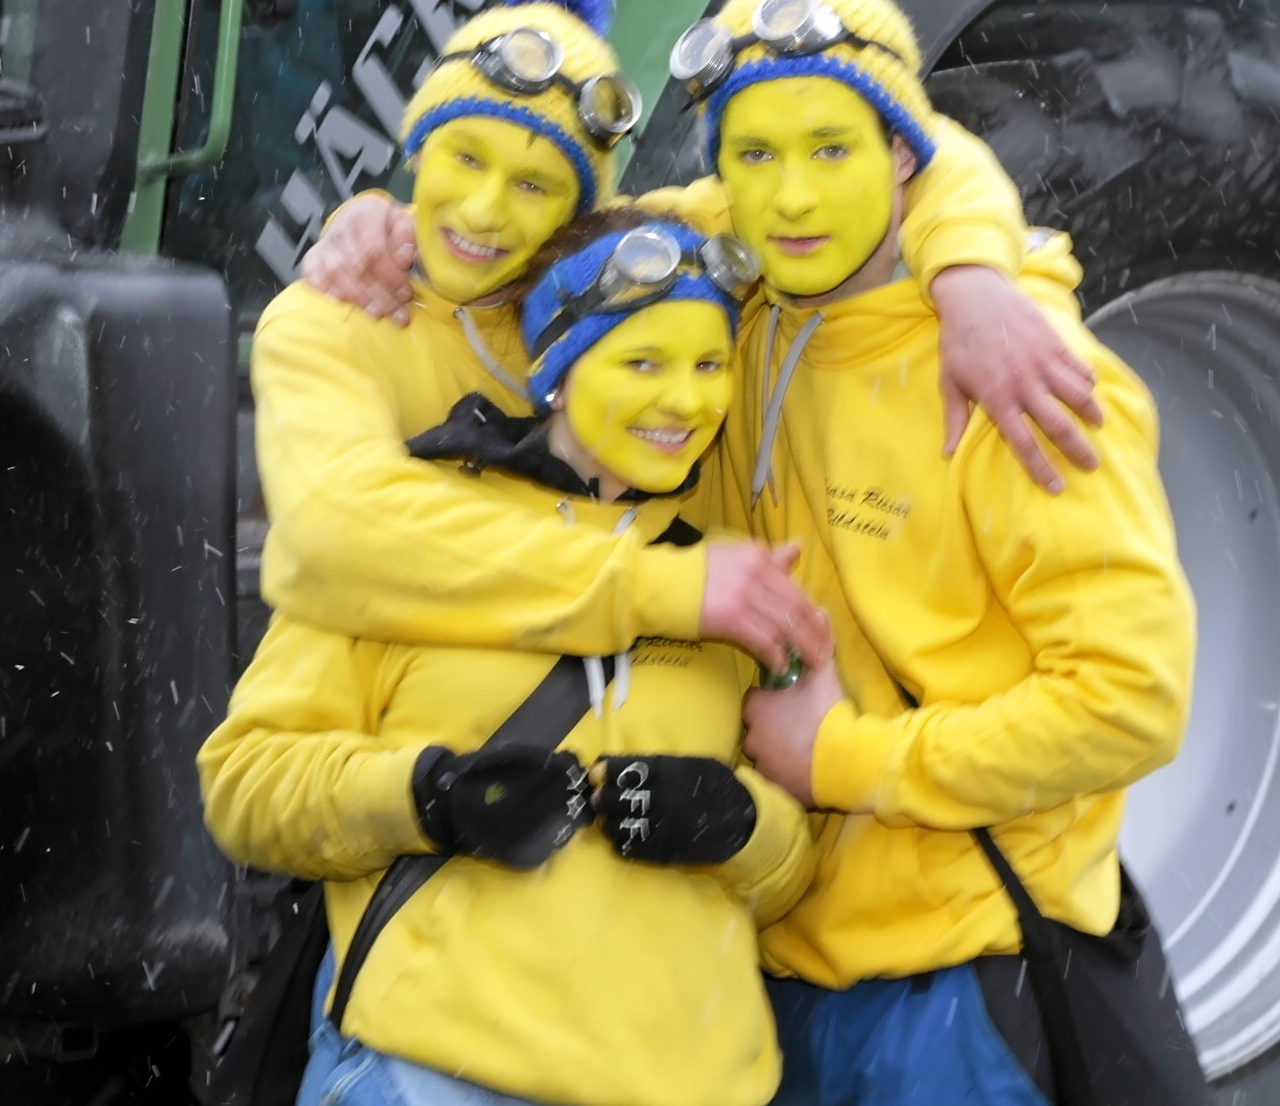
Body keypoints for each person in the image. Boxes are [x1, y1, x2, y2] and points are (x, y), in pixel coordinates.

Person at [254, 0, 1105, 696]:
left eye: (534, 185)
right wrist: (674, 590)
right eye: (464, 159)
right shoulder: (336, 320)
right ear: (415, 154)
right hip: (440, 719)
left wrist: (970, 275)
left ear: (581, 215)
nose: (482, 211)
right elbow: (339, 532)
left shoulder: (620, 277)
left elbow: (907, 146)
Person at [684, 0, 1209, 1105]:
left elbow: (1129, 697)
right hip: (774, 970)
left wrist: (845, 758)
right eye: (756, 154)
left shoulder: (1021, 379)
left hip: (957, 995)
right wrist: (377, 238)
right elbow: (531, 230)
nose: (794, 195)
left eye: (833, 148)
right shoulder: (743, 316)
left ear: (903, 158)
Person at [200, 209, 818, 1106]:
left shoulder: (734, 577)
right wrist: (431, 796)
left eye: (709, 365)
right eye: (643, 363)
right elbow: (247, 786)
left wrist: (736, 822)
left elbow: (792, 868)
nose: (686, 402)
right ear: (559, 374)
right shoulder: (416, 538)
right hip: (433, 1078)